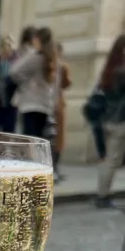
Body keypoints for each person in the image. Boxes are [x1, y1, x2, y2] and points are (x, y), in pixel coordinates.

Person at [9, 26, 56, 139]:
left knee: (29, 139)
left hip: (30, 103)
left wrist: (25, 82)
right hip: (45, 103)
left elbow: (14, 71)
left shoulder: (36, 56)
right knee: (39, 138)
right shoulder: (52, 56)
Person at [96, 34, 125, 208]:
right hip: (120, 121)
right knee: (112, 160)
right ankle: (102, 195)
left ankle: (102, 194)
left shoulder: (109, 69)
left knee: (108, 159)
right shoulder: (122, 71)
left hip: (107, 119)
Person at [52, 43, 72, 176]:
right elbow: (67, 83)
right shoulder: (58, 66)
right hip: (55, 103)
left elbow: (66, 83)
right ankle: (54, 167)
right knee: (56, 137)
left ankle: (56, 166)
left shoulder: (61, 67)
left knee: (58, 137)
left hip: (56, 103)